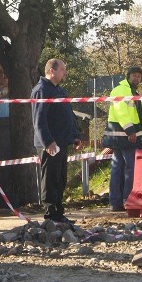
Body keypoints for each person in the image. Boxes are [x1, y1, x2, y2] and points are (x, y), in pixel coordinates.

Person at [31, 59, 81, 223]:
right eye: (62, 70)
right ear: (52, 71)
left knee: (60, 178)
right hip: (50, 144)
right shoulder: (41, 90)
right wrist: (48, 142)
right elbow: (39, 120)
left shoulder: (60, 91)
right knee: (50, 179)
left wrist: (75, 135)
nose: (64, 73)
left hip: (62, 141)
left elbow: (69, 115)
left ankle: (59, 213)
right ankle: (51, 215)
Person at [106, 66, 142, 212]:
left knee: (118, 168)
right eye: (134, 75)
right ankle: (126, 200)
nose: (137, 78)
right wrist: (130, 130)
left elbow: (136, 115)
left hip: (123, 136)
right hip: (125, 136)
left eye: (139, 76)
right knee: (129, 168)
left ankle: (116, 202)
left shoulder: (132, 92)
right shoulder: (121, 90)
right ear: (128, 76)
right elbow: (121, 112)